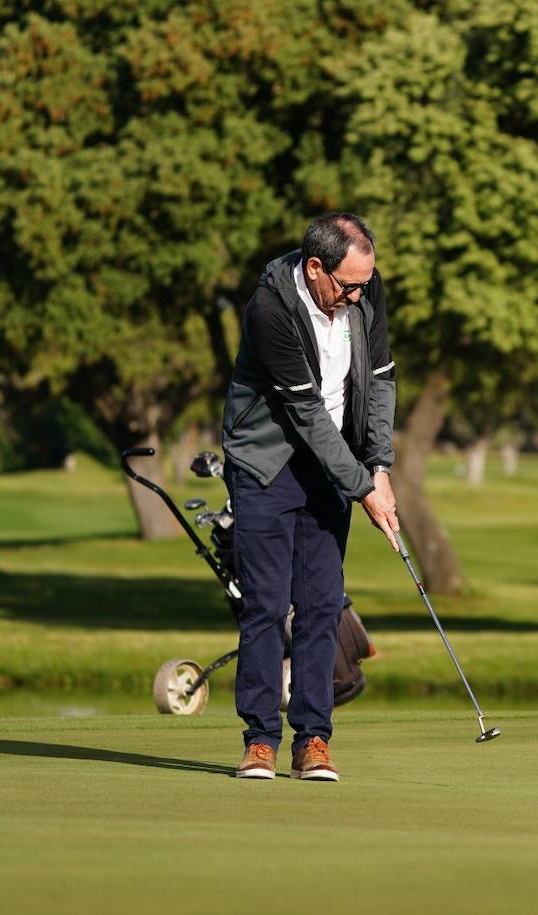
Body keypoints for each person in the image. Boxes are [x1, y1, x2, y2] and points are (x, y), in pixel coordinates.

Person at [222, 213, 399, 782]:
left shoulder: (364, 289)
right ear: (315, 267)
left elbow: (380, 379)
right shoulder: (269, 308)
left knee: (324, 604)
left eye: (364, 285)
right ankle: (259, 740)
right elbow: (306, 415)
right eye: (347, 286)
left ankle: (314, 740)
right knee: (267, 606)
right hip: (267, 465)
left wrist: (380, 464)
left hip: (334, 466)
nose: (357, 295)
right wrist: (364, 490)